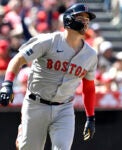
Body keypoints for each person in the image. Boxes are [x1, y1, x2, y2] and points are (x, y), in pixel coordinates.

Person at [0, 3, 97, 150]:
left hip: (64, 108)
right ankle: (23, 134)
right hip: (36, 104)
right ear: (69, 20)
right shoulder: (49, 41)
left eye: (87, 19)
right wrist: (7, 84)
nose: (85, 22)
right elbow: (18, 59)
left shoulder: (90, 55)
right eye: (81, 18)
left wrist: (90, 117)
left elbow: (89, 87)